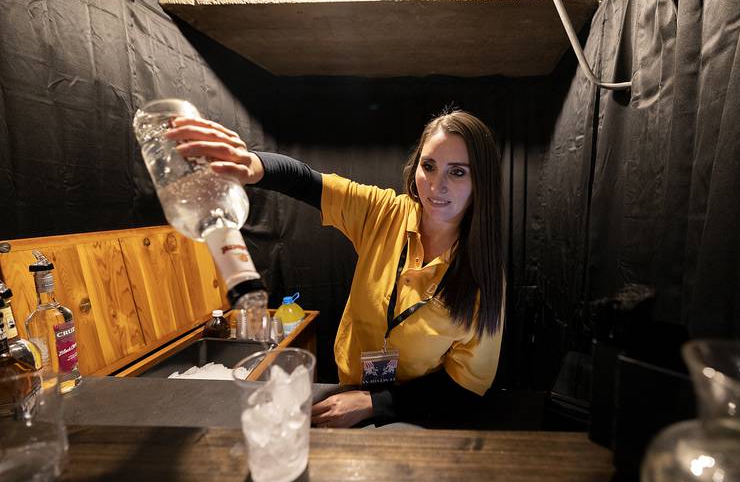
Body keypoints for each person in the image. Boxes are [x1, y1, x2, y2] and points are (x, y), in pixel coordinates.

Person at [164, 109, 505, 428]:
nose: (435, 185)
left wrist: (375, 404)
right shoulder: (385, 213)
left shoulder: (484, 274)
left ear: (482, 181)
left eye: (457, 172)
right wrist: (250, 164)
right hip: (348, 391)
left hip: (418, 412)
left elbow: (465, 388)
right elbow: (305, 181)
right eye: (428, 166)